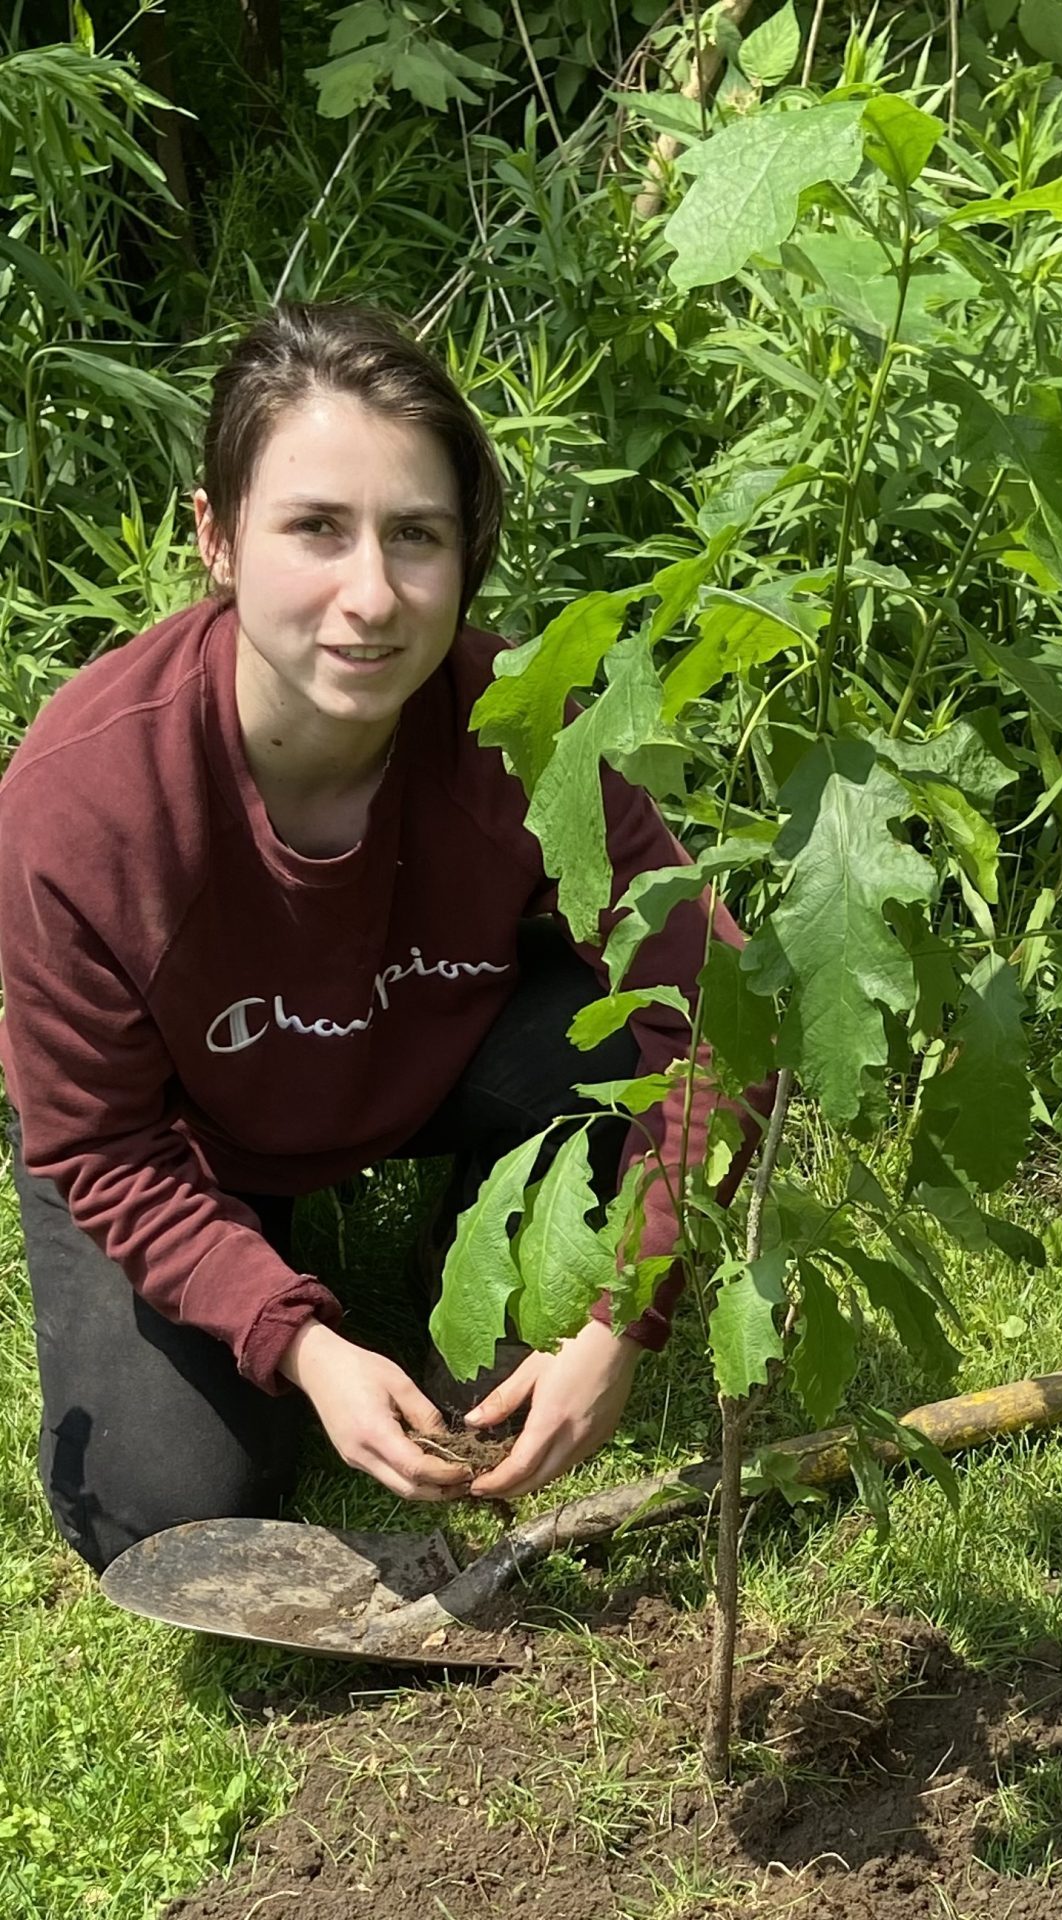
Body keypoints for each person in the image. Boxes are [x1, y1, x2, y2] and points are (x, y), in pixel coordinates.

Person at [0, 303, 757, 1575]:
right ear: (217, 538)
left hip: (426, 1052)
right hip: (181, 1134)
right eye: (316, 529)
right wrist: (302, 1345)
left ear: (467, 560)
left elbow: (719, 1018)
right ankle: (270, 1270)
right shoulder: (81, 805)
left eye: (416, 536)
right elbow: (103, 1138)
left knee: (522, 1369)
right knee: (166, 1512)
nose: (371, 595)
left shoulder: (526, 730)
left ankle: (463, 1231)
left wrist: (627, 1313)